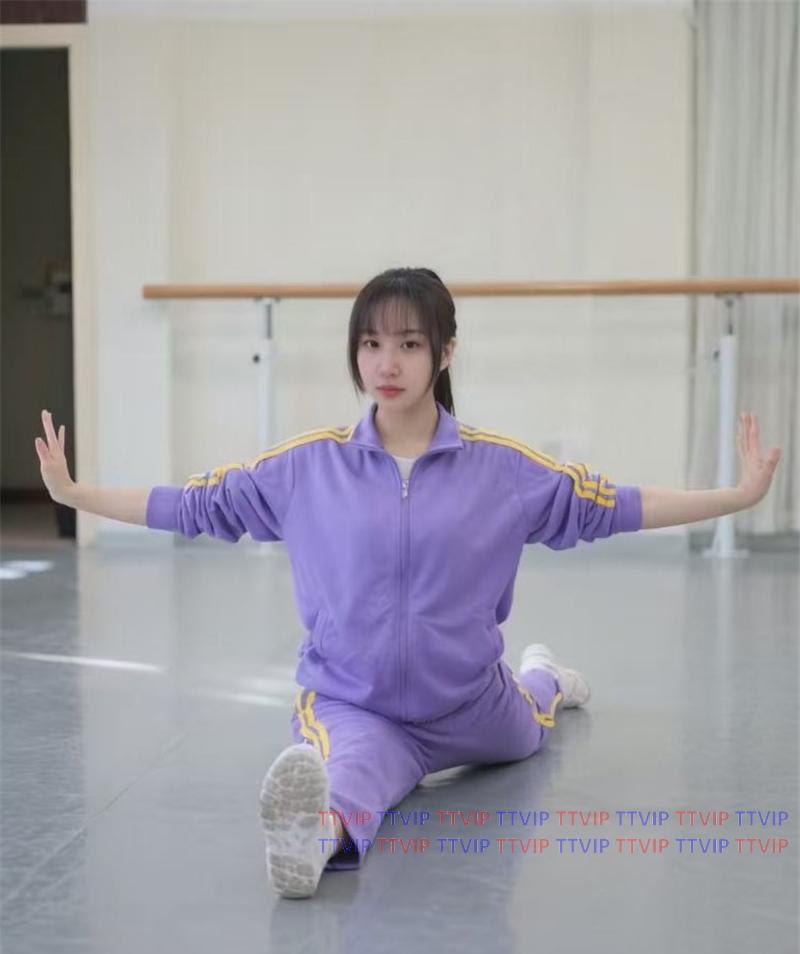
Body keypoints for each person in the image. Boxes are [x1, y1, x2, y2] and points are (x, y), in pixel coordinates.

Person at [36, 266, 783, 900]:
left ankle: (547, 675)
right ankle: (312, 841)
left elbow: (610, 505)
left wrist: (734, 497)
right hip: (357, 705)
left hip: (471, 703)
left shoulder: (501, 470)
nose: (385, 363)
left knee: (530, 725)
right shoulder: (309, 467)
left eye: (409, 344)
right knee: (352, 779)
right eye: (370, 344)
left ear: (445, 353)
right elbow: (195, 503)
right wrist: (77, 495)